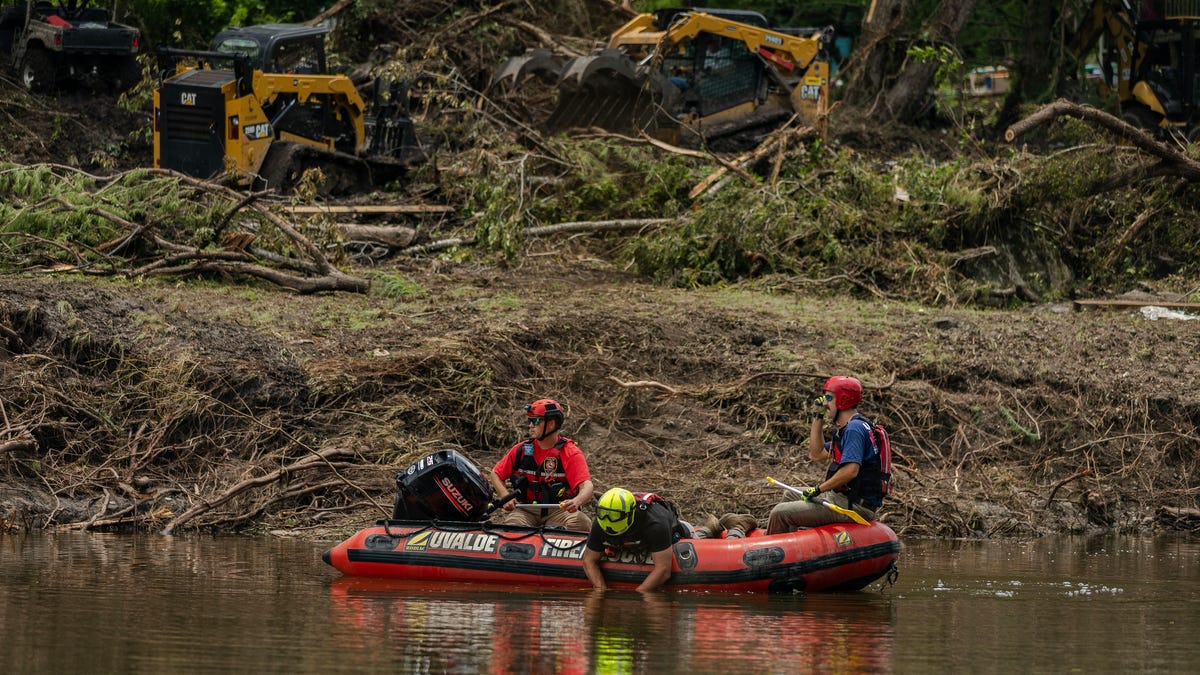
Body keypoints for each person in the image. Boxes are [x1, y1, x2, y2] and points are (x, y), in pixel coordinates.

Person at [766, 376, 885, 533]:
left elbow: (851, 470)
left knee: (780, 513)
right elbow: (816, 454)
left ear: (843, 400)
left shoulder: (854, 429)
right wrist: (818, 417)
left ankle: (774, 554)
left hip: (852, 506)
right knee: (789, 494)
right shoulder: (850, 428)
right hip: (842, 498)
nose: (824, 403)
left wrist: (818, 489)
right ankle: (792, 543)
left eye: (829, 398)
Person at [487, 398, 594, 531]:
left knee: (581, 523)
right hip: (526, 510)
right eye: (530, 421)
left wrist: (577, 501)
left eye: (535, 421)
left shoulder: (571, 452)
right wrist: (505, 496)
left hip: (559, 511)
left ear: (551, 424)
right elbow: (496, 474)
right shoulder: (520, 450)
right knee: (512, 527)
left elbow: (587, 486)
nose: (531, 425)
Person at [583, 487, 690, 592]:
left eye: (615, 516)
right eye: (602, 513)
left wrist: (639, 593)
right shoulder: (601, 522)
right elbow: (588, 561)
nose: (608, 519)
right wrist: (600, 589)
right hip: (633, 541)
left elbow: (663, 570)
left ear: (628, 515)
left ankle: (704, 530)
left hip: (675, 530)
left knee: (693, 532)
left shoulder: (655, 524)